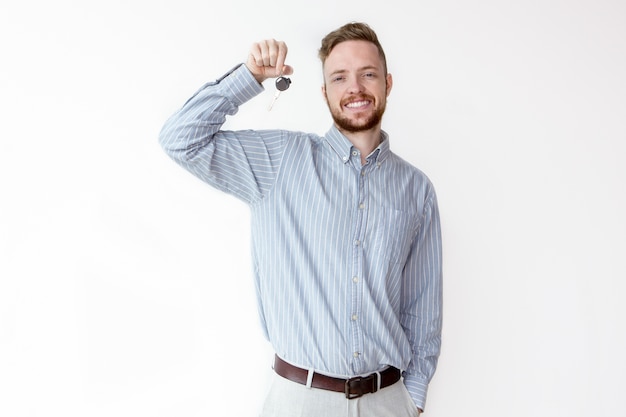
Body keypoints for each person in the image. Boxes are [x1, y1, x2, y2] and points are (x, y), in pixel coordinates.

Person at [159, 22, 442, 416]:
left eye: (368, 74)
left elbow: (422, 309)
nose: (355, 88)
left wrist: (411, 400)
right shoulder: (279, 160)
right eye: (339, 77)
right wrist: (250, 78)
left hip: (388, 402)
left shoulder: (416, 189)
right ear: (325, 92)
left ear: (387, 84)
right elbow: (180, 139)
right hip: (299, 400)